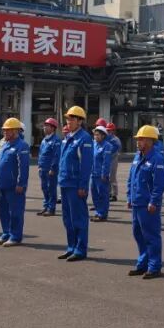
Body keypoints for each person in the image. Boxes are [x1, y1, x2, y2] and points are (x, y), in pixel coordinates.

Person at [126, 125, 164, 279]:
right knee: (138, 234)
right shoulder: (138, 156)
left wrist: (154, 201)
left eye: (141, 139)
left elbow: (159, 184)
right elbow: (131, 178)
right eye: (138, 139)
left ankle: (154, 267)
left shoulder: (157, 159)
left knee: (151, 236)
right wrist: (129, 197)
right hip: (137, 202)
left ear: (150, 141)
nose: (138, 142)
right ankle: (143, 264)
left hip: (148, 205)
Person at [58, 106, 94, 262]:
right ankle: (71, 247)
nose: (69, 121)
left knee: (78, 218)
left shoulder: (84, 139)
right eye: (68, 118)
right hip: (65, 183)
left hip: (75, 185)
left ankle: (80, 249)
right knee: (68, 219)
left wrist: (83, 186)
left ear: (80, 121)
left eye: (72, 119)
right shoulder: (68, 137)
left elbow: (86, 165)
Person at [0, 118, 30, 246]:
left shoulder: (22, 146)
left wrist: (21, 184)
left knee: (15, 212)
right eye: (4, 130)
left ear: (15, 131)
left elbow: (23, 167)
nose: (5, 132)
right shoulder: (4, 145)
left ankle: (15, 236)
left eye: (7, 130)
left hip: (14, 186)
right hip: (2, 184)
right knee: (3, 211)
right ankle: (6, 233)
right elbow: (1, 164)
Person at [36, 117, 61, 216]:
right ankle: (46, 206)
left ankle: (51, 208)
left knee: (51, 189)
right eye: (44, 126)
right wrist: (39, 165)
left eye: (47, 126)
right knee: (44, 188)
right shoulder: (44, 140)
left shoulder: (56, 140)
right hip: (43, 168)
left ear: (53, 128)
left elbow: (56, 156)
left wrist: (53, 168)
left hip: (50, 170)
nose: (44, 128)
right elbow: (41, 154)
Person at [90, 125, 114, 222]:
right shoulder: (93, 144)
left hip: (101, 175)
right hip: (93, 174)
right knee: (94, 194)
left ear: (103, 135)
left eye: (98, 135)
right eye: (95, 135)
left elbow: (106, 161)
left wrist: (104, 174)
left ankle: (102, 214)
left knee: (102, 195)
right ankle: (98, 212)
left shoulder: (107, 146)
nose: (96, 136)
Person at [106, 122, 121, 201]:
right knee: (107, 177)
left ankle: (114, 194)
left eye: (110, 130)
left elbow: (115, 149)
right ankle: (109, 193)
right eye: (107, 130)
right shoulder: (107, 138)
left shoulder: (115, 139)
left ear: (113, 130)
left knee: (112, 177)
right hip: (108, 159)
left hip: (113, 159)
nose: (108, 132)